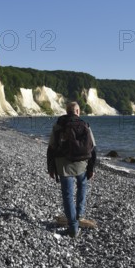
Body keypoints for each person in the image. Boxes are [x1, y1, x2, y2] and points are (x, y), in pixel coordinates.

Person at [47, 101, 97, 238]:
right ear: (78, 111)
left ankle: (73, 228)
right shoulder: (85, 125)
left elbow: (51, 148)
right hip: (81, 164)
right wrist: (91, 168)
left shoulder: (58, 125)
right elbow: (93, 148)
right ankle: (79, 214)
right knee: (82, 185)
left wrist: (50, 167)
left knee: (68, 195)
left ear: (66, 111)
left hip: (63, 165)